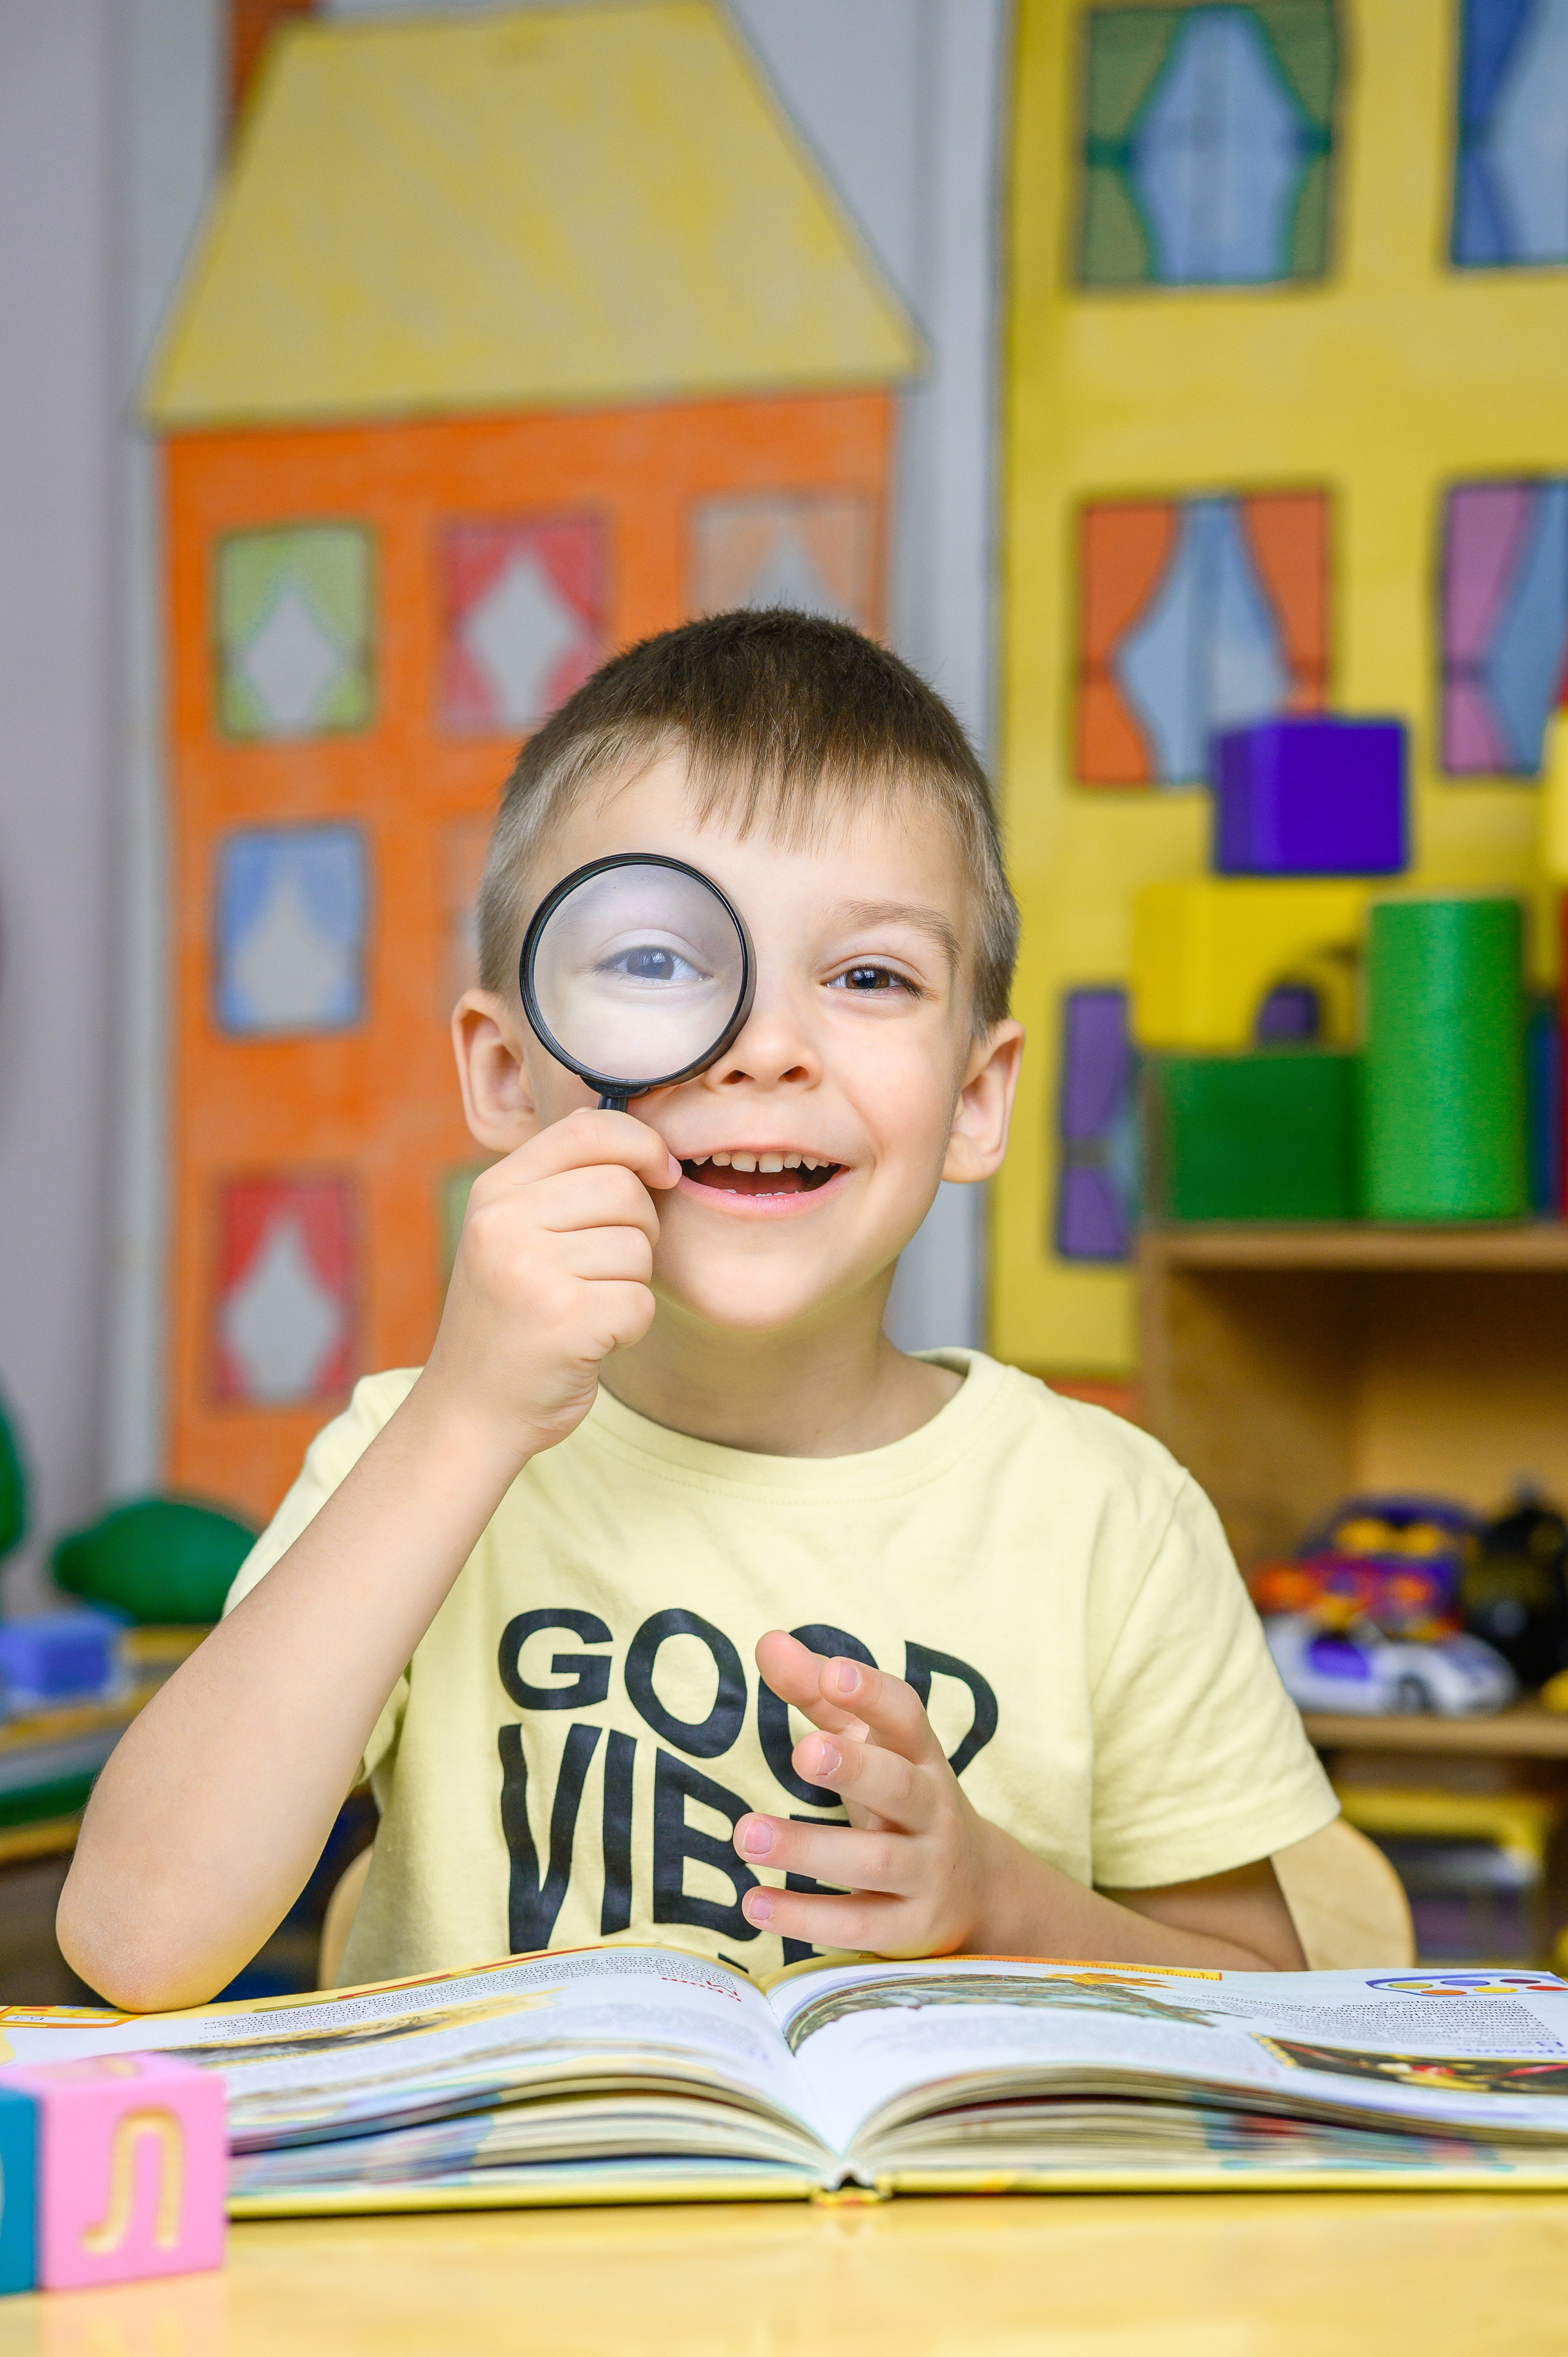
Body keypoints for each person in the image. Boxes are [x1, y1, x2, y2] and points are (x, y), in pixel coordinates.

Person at [59, 610, 1334, 2010]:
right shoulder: (406, 1453)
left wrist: (1000, 1900)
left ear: (976, 1099)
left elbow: (1262, 2011)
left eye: (867, 977)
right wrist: (465, 1417)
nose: (765, 1048)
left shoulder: (1106, 1516)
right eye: (658, 964)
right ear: (507, 1071)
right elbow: (135, 1940)